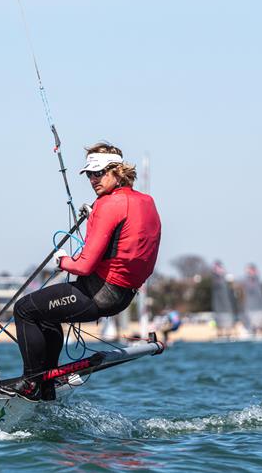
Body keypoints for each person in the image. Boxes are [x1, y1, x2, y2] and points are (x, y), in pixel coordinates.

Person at [12, 142, 162, 401]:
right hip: (122, 296)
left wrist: (63, 261)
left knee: (24, 309)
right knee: (45, 315)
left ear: (118, 171)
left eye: (99, 173)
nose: (93, 179)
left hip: (98, 292)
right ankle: (46, 382)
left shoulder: (109, 205)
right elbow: (122, 240)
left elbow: (82, 266)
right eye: (90, 174)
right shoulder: (145, 201)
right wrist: (95, 216)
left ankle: (31, 383)